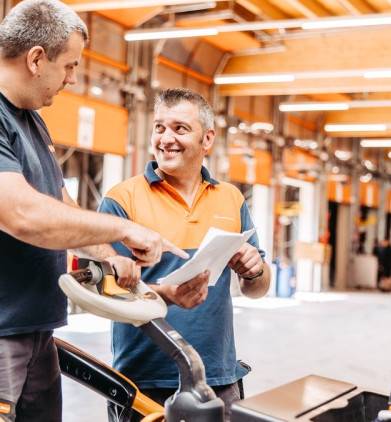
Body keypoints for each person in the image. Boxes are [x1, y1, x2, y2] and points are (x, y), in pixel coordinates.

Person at [0, 2, 186, 421]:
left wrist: (110, 257)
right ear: (36, 58)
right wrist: (125, 228)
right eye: (69, 66)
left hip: (31, 327)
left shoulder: (29, 119)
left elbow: (57, 201)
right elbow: (23, 214)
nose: (72, 79)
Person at [99, 88, 271, 421]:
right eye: (159, 127)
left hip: (217, 378)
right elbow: (106, 293)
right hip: (144, 380)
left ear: (207, 139)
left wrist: (253, 270)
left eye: (180, 128)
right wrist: (163, 296)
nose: (166, 139)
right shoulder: (123, 199)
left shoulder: (231, 199)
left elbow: (258, 289)